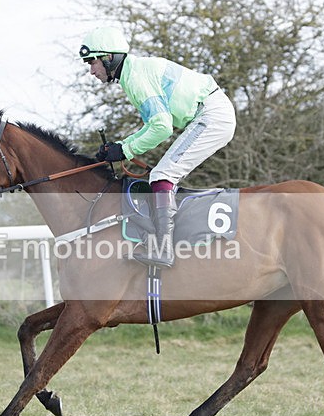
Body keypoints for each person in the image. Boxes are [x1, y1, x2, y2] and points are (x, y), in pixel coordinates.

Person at [79, 26, 236, 268]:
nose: (91, 70)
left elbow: (162, 127)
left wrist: (126, 150)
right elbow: (155, 124)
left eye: (93, 62)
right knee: (163, 175)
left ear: (109, 58)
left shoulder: (136, 78)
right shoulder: (133, 73)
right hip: (209, 112)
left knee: (162, 175)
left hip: (211, 115)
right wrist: (121, 145)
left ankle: (164, 250)